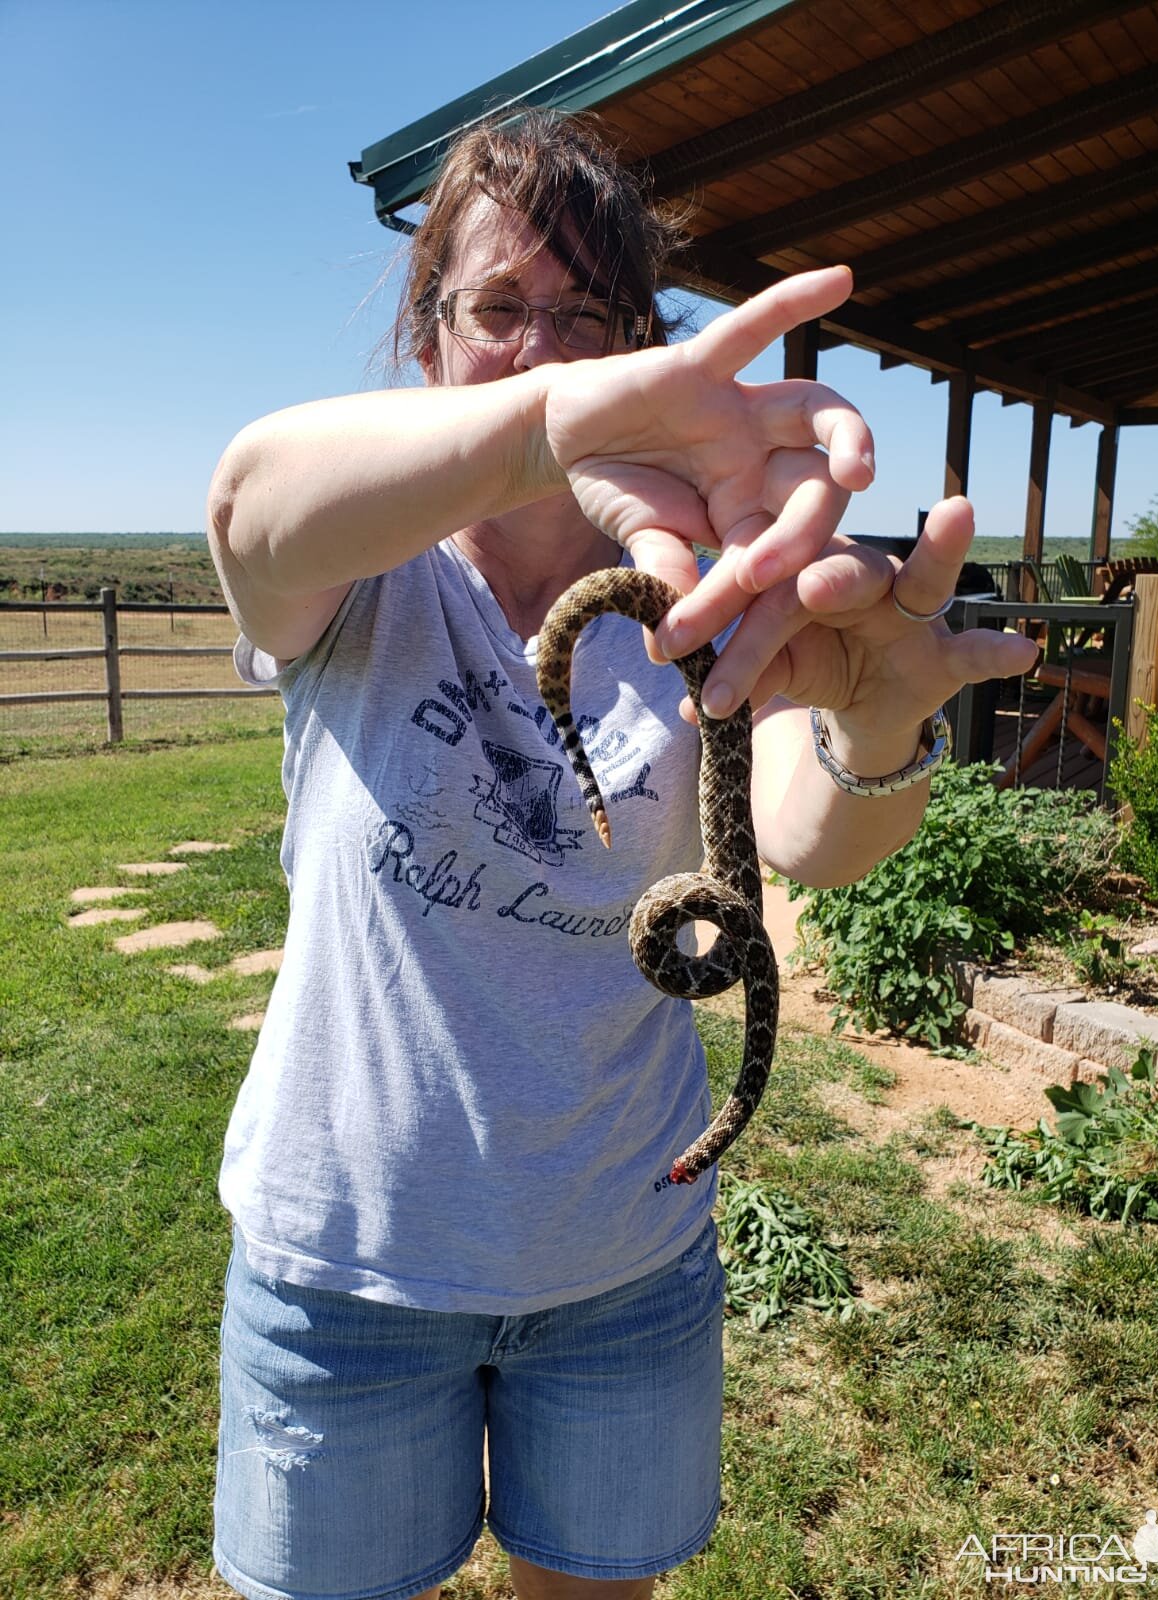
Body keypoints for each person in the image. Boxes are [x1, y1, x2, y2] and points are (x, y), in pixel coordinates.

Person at [205, 108, 1036, 1600]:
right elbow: (246, 503)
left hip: (622, 1271)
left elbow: (805, 841)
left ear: (644, 334)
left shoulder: (708, 596)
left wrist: (880, 721)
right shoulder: (358, 570)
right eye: (501, 310)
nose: (544, 349)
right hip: (343, 1275)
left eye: (586, 319)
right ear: (429, 332)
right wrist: (555, 425)